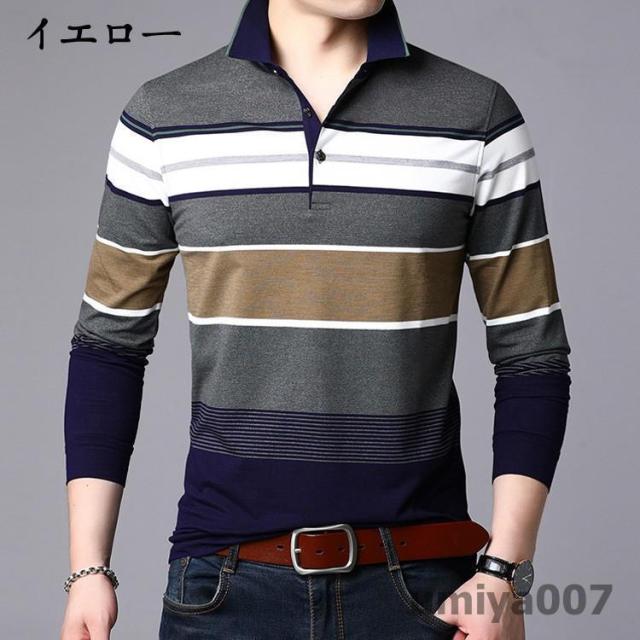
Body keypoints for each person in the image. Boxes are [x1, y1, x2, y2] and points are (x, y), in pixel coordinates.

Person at [60, 0, 572, 638]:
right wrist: (88, 567)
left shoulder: (478, 115)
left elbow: (532, 354)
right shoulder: (163, 117)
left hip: (423, 592)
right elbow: (109, 346)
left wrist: (505, 572)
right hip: (223, 591)